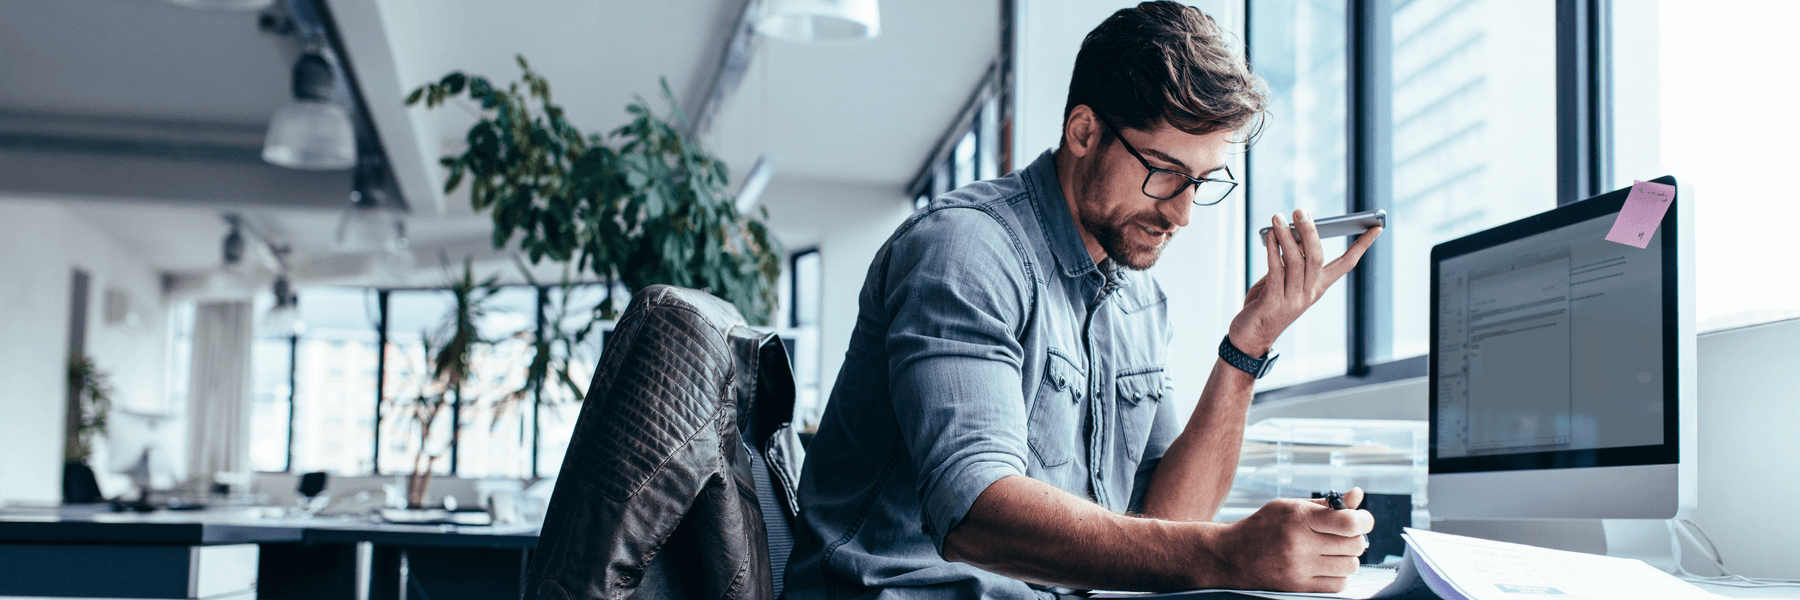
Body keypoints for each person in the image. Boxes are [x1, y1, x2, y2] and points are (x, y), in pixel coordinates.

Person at [782, 3, 1383, 598]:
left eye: (1201, 182)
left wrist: (1249, 345)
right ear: (1084, 131)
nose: (1181, 213)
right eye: (1166, 171)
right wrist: (1225, 553)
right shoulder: (964, 250)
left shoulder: (1140, 300)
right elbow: (973, 515)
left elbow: (1163, 522)